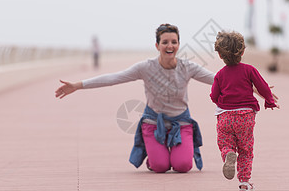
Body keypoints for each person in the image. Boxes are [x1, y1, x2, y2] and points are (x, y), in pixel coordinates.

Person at [55, 24, 215, 173]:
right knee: (160, 166)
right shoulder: (145, 68)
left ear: (179, 45)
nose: (169, 46)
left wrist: (239, 81)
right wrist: (78, 85)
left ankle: (176, 150)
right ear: (157, 45)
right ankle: (153, 155)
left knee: (183, 166)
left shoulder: (187, 67)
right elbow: (113, 78)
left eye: (174, 42)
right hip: (153, 123)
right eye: (165, 42)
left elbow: (216, 80)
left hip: (180, 123)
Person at [210, 31, 278, 191]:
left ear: (220, 55)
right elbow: (263, 87)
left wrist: (222, 103)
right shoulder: (249, 70)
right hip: (246, 117)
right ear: (242, 51)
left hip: (225, 116)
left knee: (225, 143)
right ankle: (244, 183)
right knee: (246, 149)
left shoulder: (220, 74)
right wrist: (269, 101)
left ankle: (228, 154)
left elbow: (214, 95)